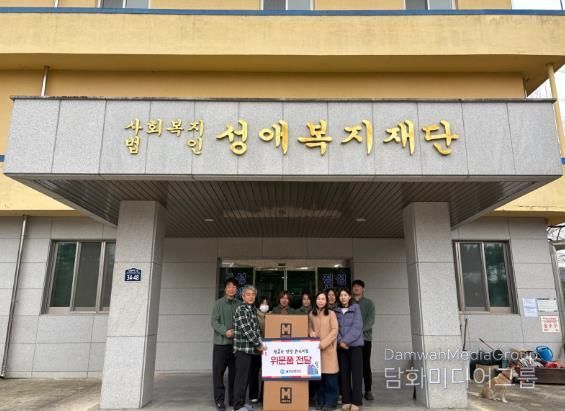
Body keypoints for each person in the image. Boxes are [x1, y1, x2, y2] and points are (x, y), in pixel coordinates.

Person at [211, 278, 242, 411]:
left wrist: (235, 331)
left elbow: (243, 322)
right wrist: (225, 331)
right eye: (229, 286)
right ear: (225, 289)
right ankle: (219, 401)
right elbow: (214, 322)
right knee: (218, 374)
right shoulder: (218, 304)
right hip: (221, 345)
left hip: (236, 345)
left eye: (234, 287)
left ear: (236, 289)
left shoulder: (240, 304)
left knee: (234, 374)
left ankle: (233, 399)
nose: (231, 289)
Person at [233, 285, 265, 411]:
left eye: (253, 294)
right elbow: (247, 331)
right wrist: (259, 344)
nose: (251, 297)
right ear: (243, 296)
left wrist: (260, 342)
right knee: (241, 379)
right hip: (242, 350)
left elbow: (256, 330)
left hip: (250, 351)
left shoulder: (252, 309)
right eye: (248, 294)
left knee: (246, 378)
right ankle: (237, 406)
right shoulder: (241, 310)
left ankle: (242, 403)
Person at [335, 288, 364, 411]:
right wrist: (340, 341)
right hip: (342, 347)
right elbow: (334, 328)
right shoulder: (336, 310)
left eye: (345, 295)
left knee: (357, 374)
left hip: (355, 346)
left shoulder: (356, 308)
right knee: (344, 374)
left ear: (349, 297)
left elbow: (357, 326)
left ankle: (356, 401)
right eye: (341, 295)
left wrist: (345, 341)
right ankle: (346, 400)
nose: (343, 297)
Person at [310, 291, 339, 411]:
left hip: (328, 349)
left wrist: (323, 343)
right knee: (319, 378)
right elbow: (309, 327)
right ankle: (320, 401)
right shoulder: (311, 314)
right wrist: (310, 332)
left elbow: (335, 331)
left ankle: (331, 402)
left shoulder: (331, 314)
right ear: (315, 300)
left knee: (330, 378)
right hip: (315, 350)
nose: (320, 301)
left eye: (323, 299)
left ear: (326, 301)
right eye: (318, 299)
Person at [352, 279, 375, 401]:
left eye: (359, 286)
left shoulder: (369, 303)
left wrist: (357, 331)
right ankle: (357, 390)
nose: (356, 288)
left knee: (366, 365)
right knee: (354, 366)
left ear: (363, 289)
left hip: (365, 339)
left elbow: (370, 321)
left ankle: (368, 390)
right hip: (351, 340)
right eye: (354, 286)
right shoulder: (349, 302)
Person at [248, 296, 270, 404]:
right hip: (256, 347)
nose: (264, 305)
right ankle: (253, 395)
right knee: (254, 372)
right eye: (262, 303)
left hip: (268, 349)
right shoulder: (254, 315)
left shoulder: (271, 315)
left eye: (266, 303)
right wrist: (258, 342)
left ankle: (264, 396)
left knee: (267, 373)